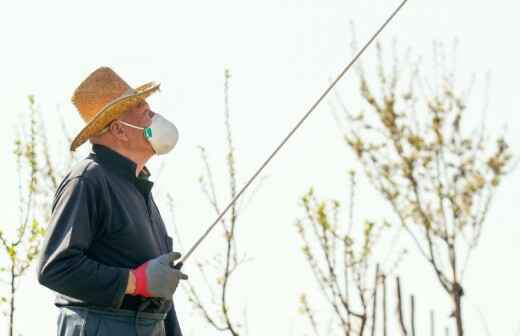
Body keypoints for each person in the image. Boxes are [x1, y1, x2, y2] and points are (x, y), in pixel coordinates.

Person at [36, 66, 188, 336]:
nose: (155, 116)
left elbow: (159, 297)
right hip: (100, 325)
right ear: (119, 129)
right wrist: (134, 281)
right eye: (145, 112)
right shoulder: (88, 180)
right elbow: (55, 268)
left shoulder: (138, 188)